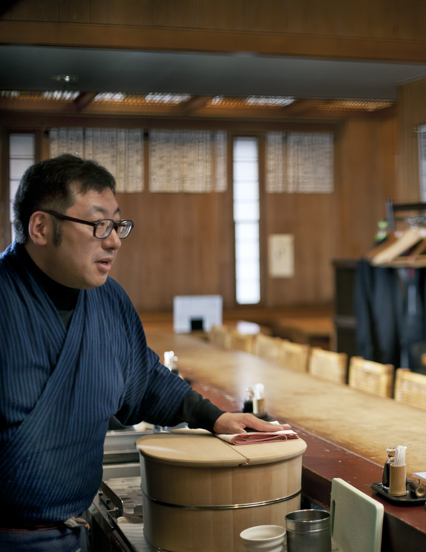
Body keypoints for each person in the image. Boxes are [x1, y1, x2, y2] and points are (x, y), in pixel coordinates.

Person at [0, 155, 274, 552]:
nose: (113, 240)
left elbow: (144, 380)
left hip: (75, 534)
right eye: (98, 225)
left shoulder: (109, 301)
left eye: (116, 225)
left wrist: (215, 417)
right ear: (41, 227)